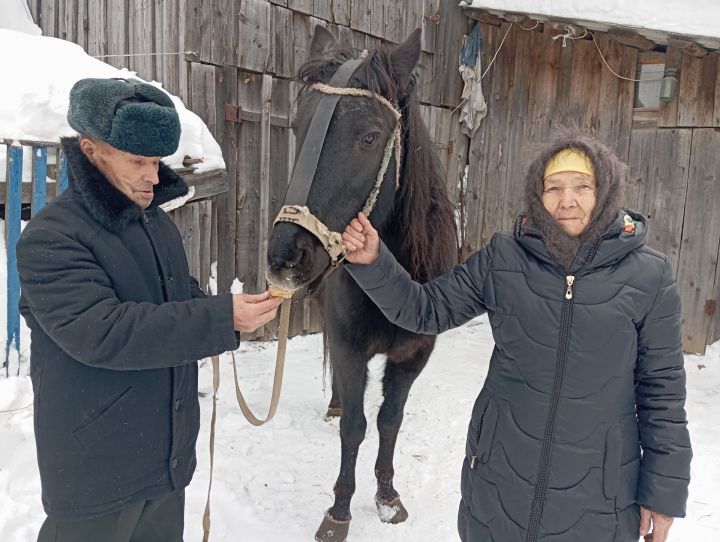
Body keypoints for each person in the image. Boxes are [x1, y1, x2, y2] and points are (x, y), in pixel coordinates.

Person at [341, 129, 692, 542]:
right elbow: (424, 309)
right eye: (554, 187)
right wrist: (374, 262)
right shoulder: (504, 258)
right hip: (499, 480)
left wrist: (664, 493)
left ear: (606, 191)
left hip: (601, 495)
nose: (567, 200)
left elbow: (662, 392)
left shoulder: (649, 275)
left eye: (582, 186)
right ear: (537, 195)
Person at [17, 77, 284, 542]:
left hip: (163, 463)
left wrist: (234, 310)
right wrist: (222, 318)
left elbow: (174, 299)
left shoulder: (153, 223)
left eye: (157, 162)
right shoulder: (52, 236)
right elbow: (104, 332)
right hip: (95, 472)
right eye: (137, 161)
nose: (153, 176)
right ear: (91, 149)